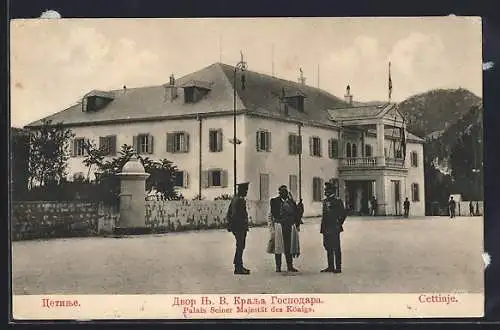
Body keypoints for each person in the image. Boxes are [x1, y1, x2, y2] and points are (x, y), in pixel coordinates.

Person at [267, 185, 304, 273]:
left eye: (286, 191)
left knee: (289, 247)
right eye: (282, 192)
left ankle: (290, 266)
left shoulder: (291, 202)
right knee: (278, 247)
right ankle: (278, 266)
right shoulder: (274, 201)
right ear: (279, 193)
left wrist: (299, 207)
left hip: (289, 226)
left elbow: (296, 214)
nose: (285, 193)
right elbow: (274, 213)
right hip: (280, 225)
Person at [320, 182, 347, 273]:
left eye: (326, 190)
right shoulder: (325, 201)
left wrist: (339, 223)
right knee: (327, 247)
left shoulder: (337, 200)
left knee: (336, 247)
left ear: (331, 190)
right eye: (325, 190)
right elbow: (324, 216)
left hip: (334, 227)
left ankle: (338, 267)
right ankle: (330, 266)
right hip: (326, 227)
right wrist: (322, 228)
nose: (325, 191)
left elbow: (343, 213)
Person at [226, 182, 251, 275]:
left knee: (240, 246)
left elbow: (229, 213)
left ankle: (239, 265)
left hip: (237, 227)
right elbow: (235, 215)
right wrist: (240, 225)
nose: (246, 192)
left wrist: (230, 226)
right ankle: (238, 267)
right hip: (239, 227)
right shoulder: (239, 200)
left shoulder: (235, 199)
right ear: (241, 190)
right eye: (245, 190)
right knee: (240, 246)